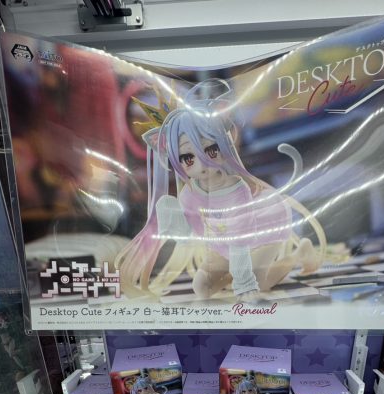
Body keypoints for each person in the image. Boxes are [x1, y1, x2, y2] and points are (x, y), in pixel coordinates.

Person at [115, 79, 326, 301]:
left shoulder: (237, 189)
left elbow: (241, 240)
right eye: (188, 158)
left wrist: (244, 282)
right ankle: (237, 276)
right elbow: (191, 234)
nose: (202, 164)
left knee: (259, 282)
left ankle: (299, 253)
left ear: (223, 145)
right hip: (223, 246)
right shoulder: (189, 194)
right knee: (202, 288)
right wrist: (171, 217)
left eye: (211, 150)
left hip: (264, 228)